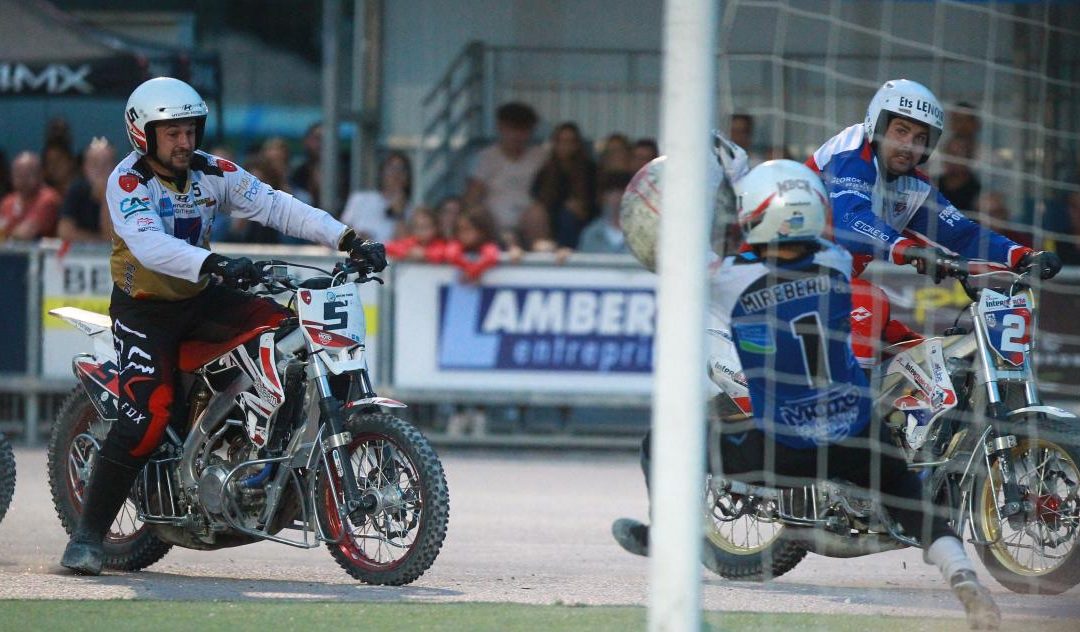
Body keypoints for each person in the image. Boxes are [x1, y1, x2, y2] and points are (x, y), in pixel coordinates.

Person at [612, 159, 1001, 630]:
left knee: (661, 443)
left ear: (755, 215)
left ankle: (668, 535)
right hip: (857, 436)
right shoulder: (835, 263)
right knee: (913, 504)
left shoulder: (729, 280)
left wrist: (722, 170)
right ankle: (962, 577)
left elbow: (669, 255)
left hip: (784, 448)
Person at [59, 77, 387, 577]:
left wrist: (345, 237)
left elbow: (277, 205)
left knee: (288, 332)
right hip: (146, 311)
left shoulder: (213, 171)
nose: (184, 141)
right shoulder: (127, 182)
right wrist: (214, 262)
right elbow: (150, 248)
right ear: (142, 134)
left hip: (202, 296)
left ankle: (258, 447)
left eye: (190, 130)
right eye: (171, 133)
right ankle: (86, 536)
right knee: (147, 414)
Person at [804, 79, 1060, 365]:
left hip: (829, 290)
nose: (908, 146)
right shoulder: (851, 155)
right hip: (786, 281)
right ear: (876, 125)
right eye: (900, 131)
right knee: (868, 304)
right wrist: (909, 249)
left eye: (920, 139)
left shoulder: (913, 186)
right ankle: (845, 409)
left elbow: (963, 234)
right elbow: (849, 221)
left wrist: (1021, 255)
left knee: (930, 361)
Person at [464, 102, 546, 243]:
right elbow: (472, 195)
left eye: (523, 130)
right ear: (501, 127)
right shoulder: (486, 157)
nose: (517, 136)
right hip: (494, 219)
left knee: (537, 214)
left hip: (528, 218)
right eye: (512, 129)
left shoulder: (540, 156)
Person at [525, 121, 598, 250]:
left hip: (580, 223)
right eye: (561, 141)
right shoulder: (546, 171)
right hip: (551, 223)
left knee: (568, 215)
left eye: (570, 141)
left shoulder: (590, 170)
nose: (566, 146)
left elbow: (596, 204)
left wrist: (582, 209)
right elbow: (538, 199)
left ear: (577, 144)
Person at [340, 150, 413, 243]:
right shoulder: (360, 198)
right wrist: (358, 236)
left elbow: (404, 244)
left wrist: (399, 214)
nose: (396, 174)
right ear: (382, 172)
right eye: (391, 168)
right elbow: (342, 230)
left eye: (402, 170)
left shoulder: (410, 209)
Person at [57, 138, 116, 242]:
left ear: (115, 167)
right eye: (95, 164)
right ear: (85, 167)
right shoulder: (76, 190)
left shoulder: (125, 193)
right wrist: (99, 240)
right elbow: (64, 232)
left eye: (105, 164)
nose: (100, 170)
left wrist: (105, 199)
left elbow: (111, 237)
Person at [0, 151, 61, 241]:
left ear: (41, 175)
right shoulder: (7, 201)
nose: (23, 179)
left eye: (28, 173)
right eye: (18, 174)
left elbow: (25, 234)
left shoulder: (48, 198)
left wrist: (7, 233)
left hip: (41, 253)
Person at [577, 171, 631, 254]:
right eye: (613, 192)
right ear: (604, 197)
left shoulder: (643, 234)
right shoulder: (591, 233)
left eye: (623, 192)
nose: (619, 197)